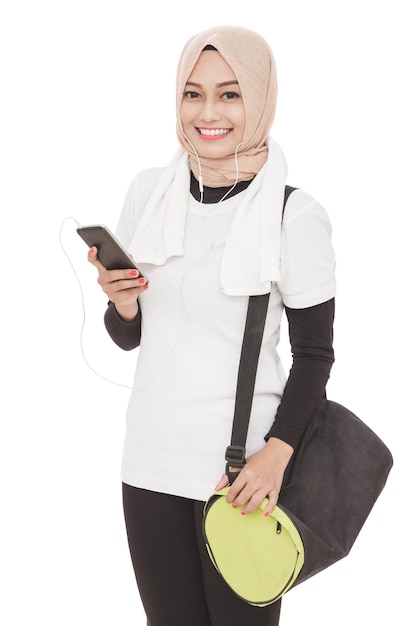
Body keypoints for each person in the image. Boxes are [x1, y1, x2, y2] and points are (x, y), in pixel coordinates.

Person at [87, 25, 336, 626]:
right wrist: (122, 305)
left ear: (259, 99)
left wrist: (275, 457)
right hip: (148, 464)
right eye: (192, 94)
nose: (208, 112)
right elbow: (130, 336)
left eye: (229, 94)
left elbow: (316, 355)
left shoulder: (292, 211)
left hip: (241, 477)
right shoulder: (150, 192)